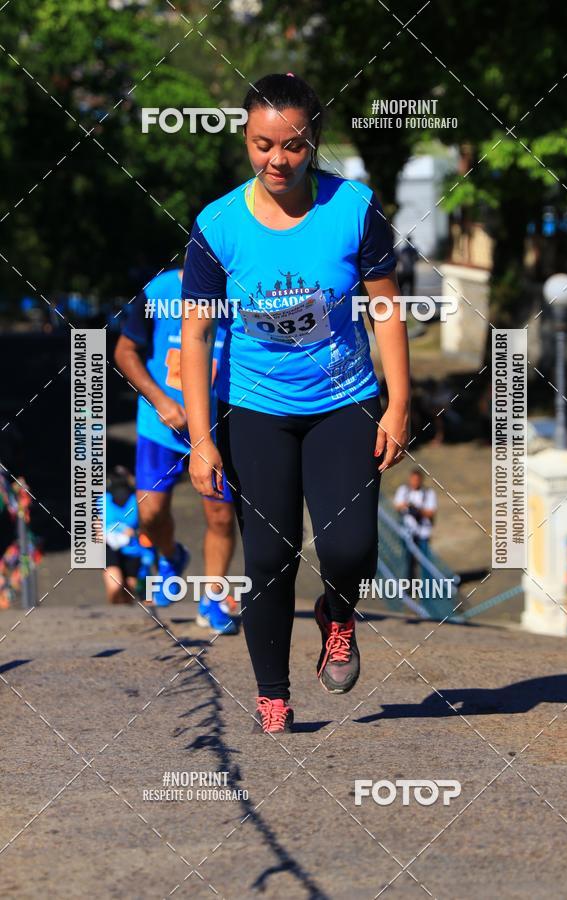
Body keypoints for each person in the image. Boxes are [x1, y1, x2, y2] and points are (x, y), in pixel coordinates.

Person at [180, 73, 410, 733]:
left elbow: (386, 311)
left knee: (350, 547)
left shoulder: (353, 209)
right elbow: (196, 336)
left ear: (314, 142)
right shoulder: (217, 226)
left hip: (344, 400)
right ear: (245, 139)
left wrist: (398, 405)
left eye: (293, 146)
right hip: (255, 409)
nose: (276, 160)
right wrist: (202, 438)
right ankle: (273, 696)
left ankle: (337, 613)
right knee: (267, 557)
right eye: (262, 145)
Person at [114, 268, 239, 633]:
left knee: (220, 516)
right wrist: (160, 401)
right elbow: (124, 352)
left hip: (220, 427)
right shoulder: (160, 290)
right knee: (150, 514)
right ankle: (172, 554)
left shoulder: (244, 288)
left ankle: (213, 599)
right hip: (162, 425)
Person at [103, 466, 141, 604]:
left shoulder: (137, 500)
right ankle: (114, 612)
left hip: (133, 547)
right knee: (115, 586)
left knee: (130, 588)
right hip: (109, 546)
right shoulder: (103, 500)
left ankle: (124, 612)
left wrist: (135, 533)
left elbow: (148, 526)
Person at [393, 468, 437, 580]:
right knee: (407, 562)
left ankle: (426, 586)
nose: (414, 482)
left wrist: (418, 511)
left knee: (425, 562)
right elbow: (397, 506)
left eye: (417, 480)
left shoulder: (428, 493)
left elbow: (431, 512)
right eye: (413, 480)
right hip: (407, 533)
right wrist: (407, 505)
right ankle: (409, 584)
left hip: (423, 533)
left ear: (421, 480)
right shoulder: (403, 490)